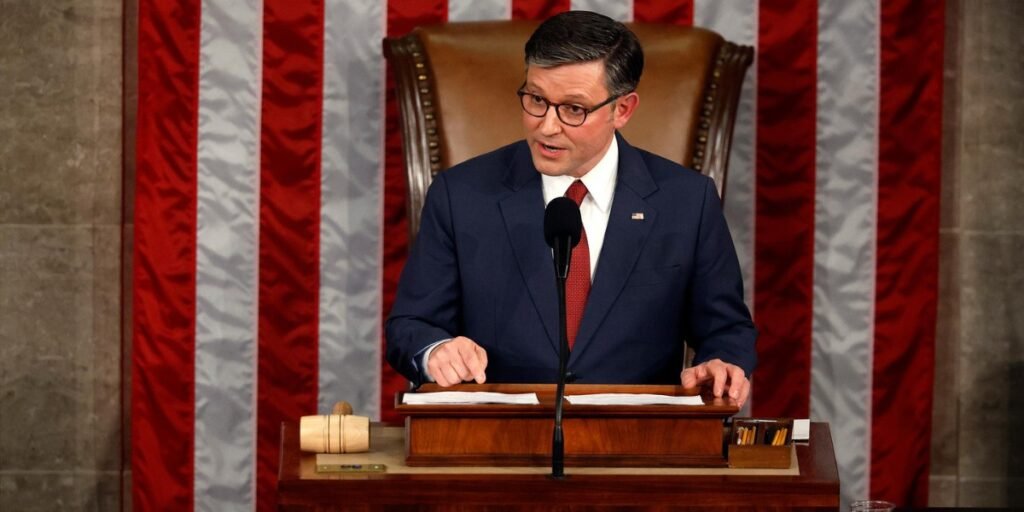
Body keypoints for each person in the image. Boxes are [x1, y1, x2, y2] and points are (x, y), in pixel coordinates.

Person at [386, 11, 756, 407]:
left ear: (623, 109)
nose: (547, 126)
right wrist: (436, 349)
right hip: (497, 443)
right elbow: (411, 325)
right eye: (536, 100)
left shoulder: (687, 201)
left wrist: (721, 363)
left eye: (573, 109)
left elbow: (726, 328)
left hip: (638, 446)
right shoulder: (461, 195)